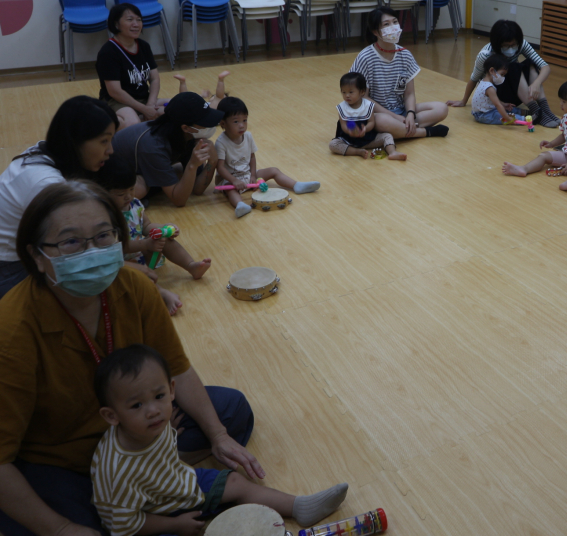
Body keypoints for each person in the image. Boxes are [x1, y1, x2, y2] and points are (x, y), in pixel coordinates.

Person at [0, 181, 259, 536]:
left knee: (231, 411)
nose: (91, 251)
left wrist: (218, 435)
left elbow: (176, 368)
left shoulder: (136, 288)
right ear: (37, 256)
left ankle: (144, 477)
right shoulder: (12, 331)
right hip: (61, 458)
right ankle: (144, 485)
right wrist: (60, 528)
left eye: (104, 236)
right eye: (71, 241)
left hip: (135, 428)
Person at [91, 345, 349, 536]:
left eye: (159, 396)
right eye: (136, 405)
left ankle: (298, 506)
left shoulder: (153, 424)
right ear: (111, 416)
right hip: (153, 517)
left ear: (171, 390)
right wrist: (175, 525)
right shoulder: (116, 470)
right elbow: (123, 525)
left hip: (179, 487)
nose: (152, 410)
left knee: (236, 480)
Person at [0, 96, 118, 298]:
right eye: (103, 141)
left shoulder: (44, 152)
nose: (110, 150)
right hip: (10, 267)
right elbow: (75, 251)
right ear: (76, 141)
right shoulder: (47, 184)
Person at [97, 155, 212, 315]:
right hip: (125, 262)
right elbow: (119, 246)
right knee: (135, 277)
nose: (128, 196)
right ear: (103, 192)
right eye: (120, 193)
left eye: (131, 189)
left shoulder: (135, 204)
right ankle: (161, 292)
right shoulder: (106, 217)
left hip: (145, 252)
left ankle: (191, 266)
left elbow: (147, 226)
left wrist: (165, 228)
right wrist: (146, 244)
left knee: (166, 240)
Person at [350, 7, 449, 141]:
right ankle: (425, 132)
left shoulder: (405, 55)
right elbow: (364, 98)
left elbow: (409, 94)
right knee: (382, 121)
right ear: (375, 32)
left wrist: (410, 114)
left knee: (441, 108)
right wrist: (395, 117)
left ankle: (400, 130)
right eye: (386, 24)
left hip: (401, 111)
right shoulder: (365, 57)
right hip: (378, 113)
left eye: (395, 22)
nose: (393, 27)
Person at [215, 97, 320, 218]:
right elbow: (220, 167)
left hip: (248, 174)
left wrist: (253, 175)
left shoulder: (248, 136)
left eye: (244, 120)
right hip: (231, 180)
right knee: (230, 190)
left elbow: (252, 157)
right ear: (223, 123)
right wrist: (234, 181)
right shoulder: (221, 142)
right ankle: (240, 205)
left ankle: (297, 185)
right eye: (236, 122)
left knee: (274, 170)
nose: (242, 126)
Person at [111, 92, 222, 207]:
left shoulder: (188, 136)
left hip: (143, 165)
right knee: (140, 188)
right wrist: (192, 165)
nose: (210, 127)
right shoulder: (154, 146)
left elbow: (197, 189)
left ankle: (156, 186)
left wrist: (213, 162)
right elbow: (179, 201)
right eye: (205, 123)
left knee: (181, 172)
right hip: (110, 177)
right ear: (186, 127)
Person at [448, 19, 560, 128]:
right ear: (498, 44)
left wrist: (536, 83)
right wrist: (463, 101)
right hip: (496, 94)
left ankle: (545, 111)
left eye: (514, 45)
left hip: (517, 91)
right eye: (506, 45)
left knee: (531, 63)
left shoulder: (521, 44)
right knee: (514, 67)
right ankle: (537, 112)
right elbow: (474, 78)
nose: (511, 49)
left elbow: (545, 67)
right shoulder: (486, 54)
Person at [502, 80, 567, 191]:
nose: (560, 104)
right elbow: (564, 135)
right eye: (561, 100)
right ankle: (524, 169)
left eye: (564, 101)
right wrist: (551, 143)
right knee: (544, 156)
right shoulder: (566, 117)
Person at [96, 4, 163, 129]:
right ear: (116, 24)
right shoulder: (108, 52)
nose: (136, 24)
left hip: (143, 99)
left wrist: (150, 104)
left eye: (139, 20)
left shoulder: (144, 46)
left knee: (174, 110)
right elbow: (115, 92)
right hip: (116, 101)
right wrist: (144, 109)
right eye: (130, 19)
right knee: (132, 123)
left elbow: (154, 79)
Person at [329, 72, 406, 160]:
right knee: (333, 144)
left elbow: (371, 122)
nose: (347, 95)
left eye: (351, 92)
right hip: (348, 141)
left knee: (387, 136)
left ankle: (392, 152)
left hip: (368, 139)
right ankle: (357, 152)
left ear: (362, 92)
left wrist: (365, 129)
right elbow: (343, 125)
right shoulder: (342, 107)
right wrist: (350, 131)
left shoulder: (368, 105)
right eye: (344, 92)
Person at [470, 55, 525, 126]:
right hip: (483, 115)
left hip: (485, 111)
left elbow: (494, 101)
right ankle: (526, 119)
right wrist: (507, 118)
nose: (503, 77)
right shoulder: (489, 88)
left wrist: (504, 104)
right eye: (502, 74)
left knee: (509, 109)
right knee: (500, 115)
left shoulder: (483, 82)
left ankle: (526, 113)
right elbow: (497, 105)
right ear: (492, 71)